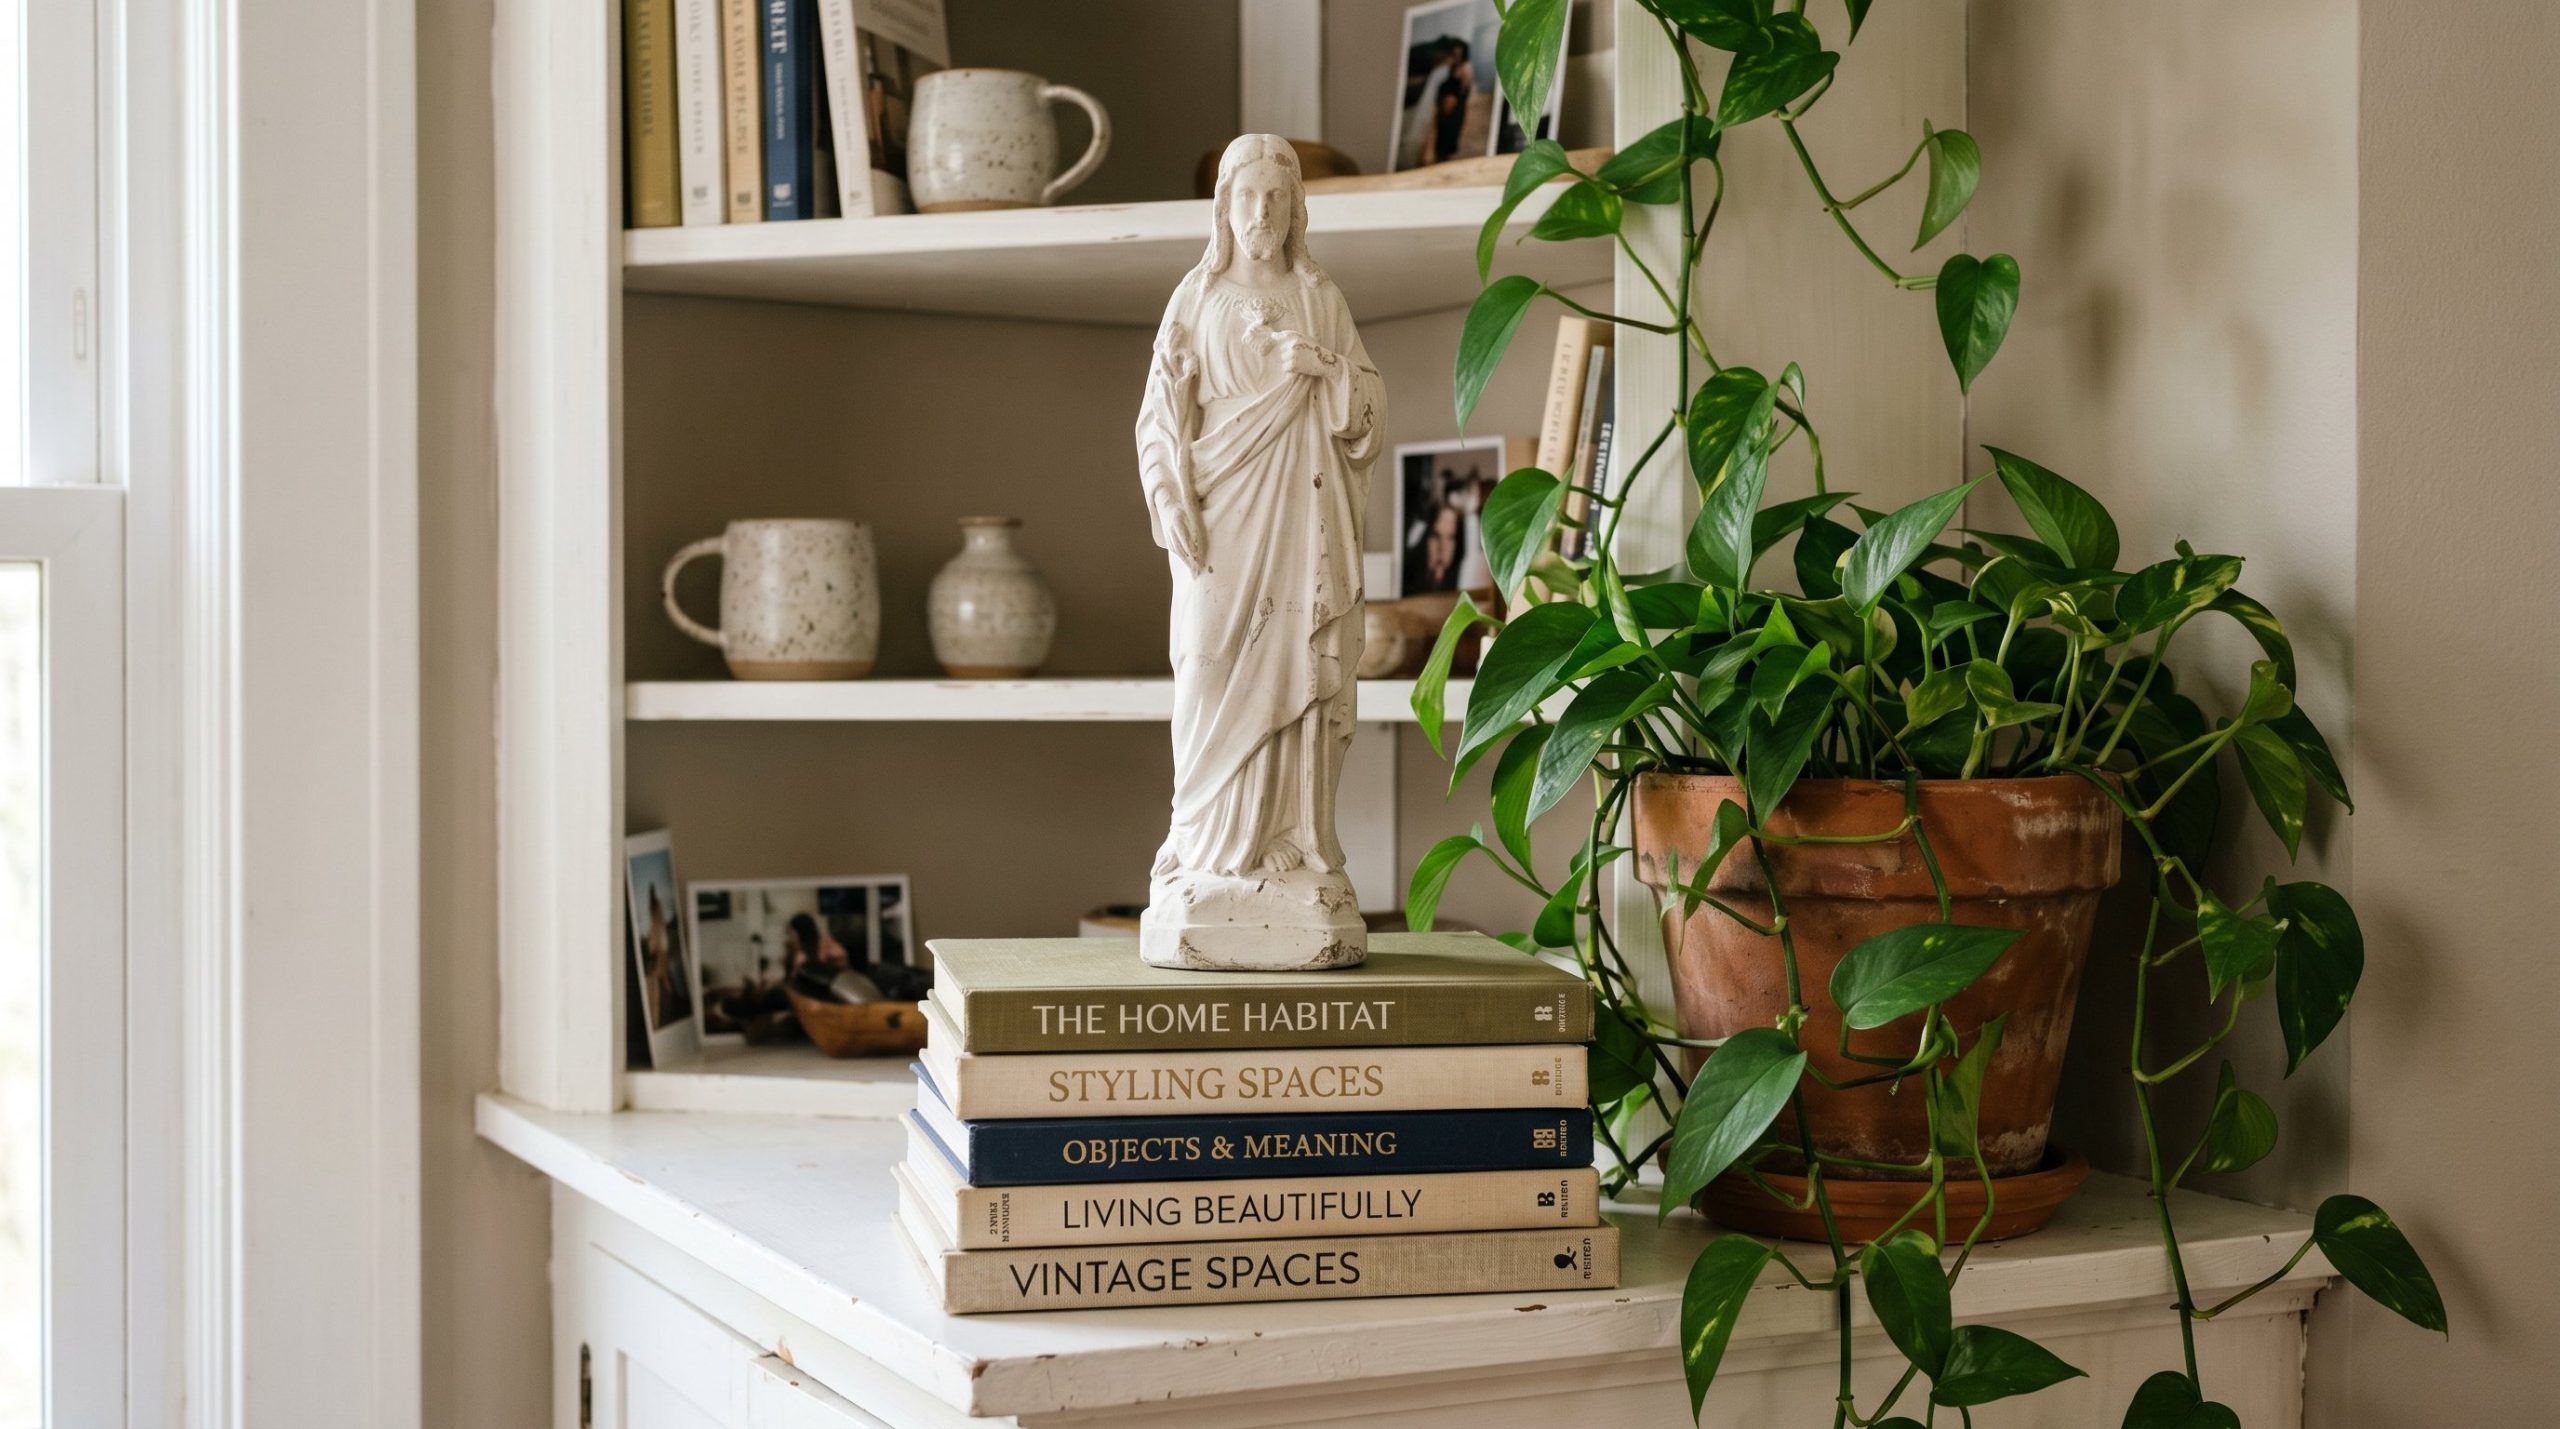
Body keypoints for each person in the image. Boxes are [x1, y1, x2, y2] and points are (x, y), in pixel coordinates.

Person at [1133, 135, 1386, 967]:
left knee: (1294, 665)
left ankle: (1288, 837)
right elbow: (1161, 417)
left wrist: (1322, 372)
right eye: (1248, 198)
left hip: (1299, 522)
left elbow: (1368, 409)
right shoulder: (1196, 296)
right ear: (1223, 207)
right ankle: (1207, 844)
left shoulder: (1321, 297)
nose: (1262, 214)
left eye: (1278, 198)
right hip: (1218, 521)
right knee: (1207, 666)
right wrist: (1169, 495)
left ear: (1297, 209)